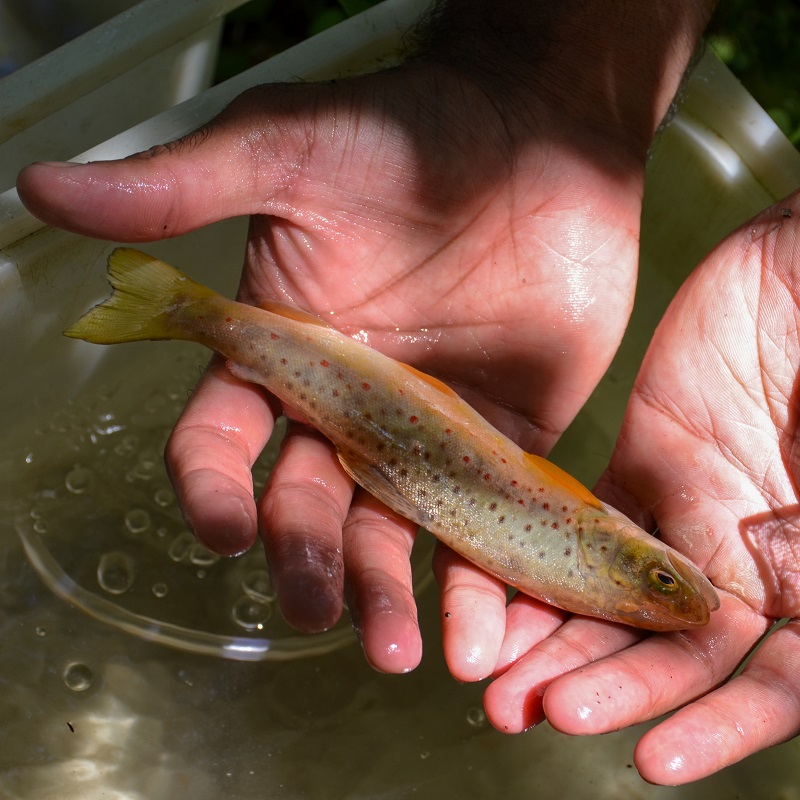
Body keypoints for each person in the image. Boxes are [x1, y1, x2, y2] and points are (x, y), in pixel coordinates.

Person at [16, 0, 800, 785]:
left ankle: (184, 312)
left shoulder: (599, 555)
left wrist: (554, 92)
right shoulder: (599, 548)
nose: (669, 581)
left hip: (400, 429)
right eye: (658, 579)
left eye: (657, 582)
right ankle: (187, 312)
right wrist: (550, 92)